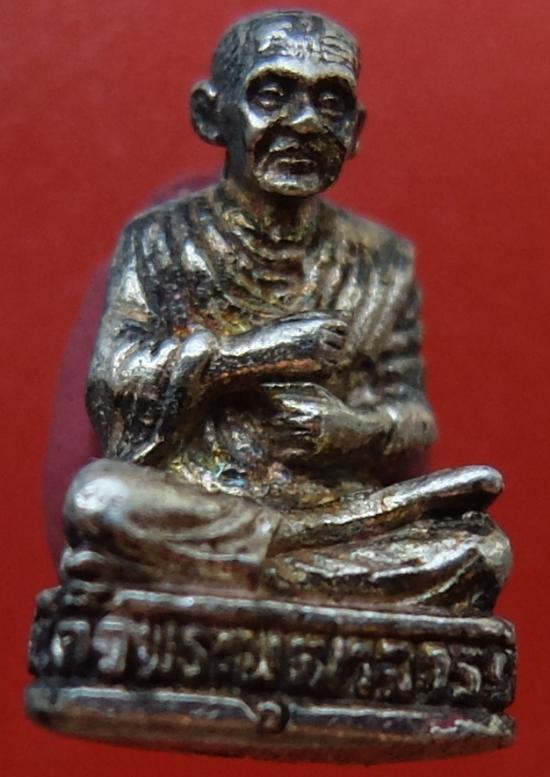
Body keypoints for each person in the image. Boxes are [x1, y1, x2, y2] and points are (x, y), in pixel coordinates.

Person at [62, 10, 511, 613]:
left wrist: (350, 431)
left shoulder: (382, 262)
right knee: (100, 499)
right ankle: (303, 559)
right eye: (273, 96)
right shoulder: (160, 241)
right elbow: (113, 383)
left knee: (482, 550)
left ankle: (232, 572)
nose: (304, 123)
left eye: (330, 103)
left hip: (336, 501)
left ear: (355, 129)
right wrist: (246, 356)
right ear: (211, 114)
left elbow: (411, 416)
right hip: (197, 496)